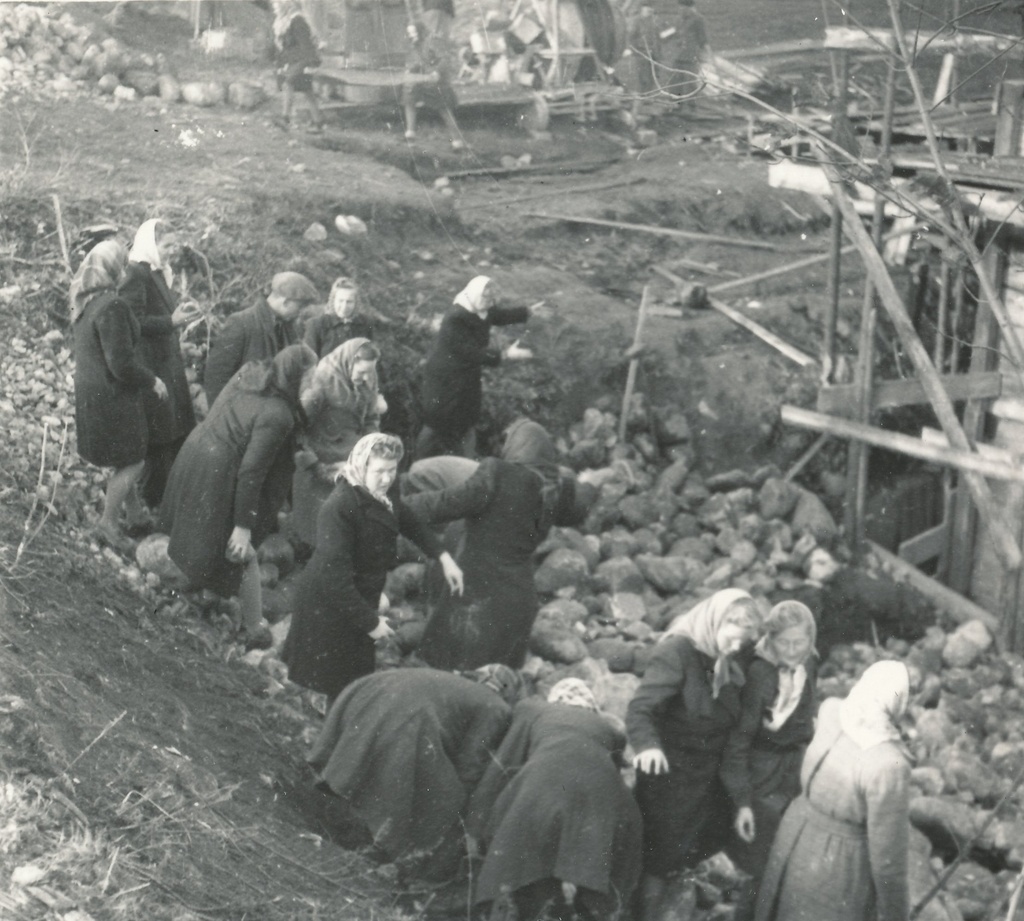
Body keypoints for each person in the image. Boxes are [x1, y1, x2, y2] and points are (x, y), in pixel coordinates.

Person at [282, 433, 465, 704]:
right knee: (341, 683)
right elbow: (334, 578)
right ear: (361, 466)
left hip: (358, 596)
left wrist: (443, 557)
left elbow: (407, 518)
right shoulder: (340, 507)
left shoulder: (383, 492)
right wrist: (371, 623)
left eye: (392, 470)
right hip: (330, 605)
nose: (387, 478)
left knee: (351, 683)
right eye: (380, 471)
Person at [159, 344, 317, 647]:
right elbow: (251, 471)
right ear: (295, 375)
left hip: (199, 453)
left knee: (200, 537)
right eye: (311, 376)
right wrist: (243, 527)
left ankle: (191, 591)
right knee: (241, 552)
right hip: (220, 471)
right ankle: (253, 627)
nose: (314, 382)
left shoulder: (253, 375)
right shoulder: (278, 413)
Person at [307, 664, 521, 881]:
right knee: (445, 795)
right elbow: (469, 763)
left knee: (372, 755)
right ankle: (385, 847)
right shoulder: (497, 707)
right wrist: (467, 805)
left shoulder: (453, 682)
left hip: (367, 691)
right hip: (404, 716)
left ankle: (334, 807)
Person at [626, 588, 763, 921]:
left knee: (689, 854)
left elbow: (731, 741)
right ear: (715, 622)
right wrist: (648, 746)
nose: (734, 649)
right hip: (668, 781)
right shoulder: (677, 653)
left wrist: (742, 802)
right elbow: (641, 709)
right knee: (656, 862)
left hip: (706, 784)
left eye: (742, 644)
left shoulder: (731, 663)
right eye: (731, 639)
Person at [466, 678, 643, 921]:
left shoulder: (533, 709)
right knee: (592, 861)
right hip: (605, 799)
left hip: (545, 786)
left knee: (531, 855)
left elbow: (506, 762)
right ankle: (588, 909)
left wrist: (478, 823)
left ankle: (541, 907)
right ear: (590, 707)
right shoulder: (608, 729)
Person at [755, 661, 912, 921]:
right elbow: (888, 861)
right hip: (839, 860)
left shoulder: (833, 710)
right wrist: (895, 915)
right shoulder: (889, 764)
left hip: (794, 830)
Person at [404, 419, 563, 671]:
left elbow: (446, 503)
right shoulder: (550, 492)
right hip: (517, 607)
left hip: (475, 600)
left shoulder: (497, 472)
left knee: (443, 682)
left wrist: (395, 506)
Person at [720, 601, 819, 921]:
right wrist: (743, 801)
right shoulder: (761, 673)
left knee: (790, 853)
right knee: (759, 859)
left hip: (794, 768)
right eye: (784, 643)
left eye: (799, 642)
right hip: (761, 771)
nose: (792, 650)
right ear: (771, 640)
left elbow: (806, 712)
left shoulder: (810, 663)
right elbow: (739, 741)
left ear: (810, 640)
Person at [72, 240, 168, 550]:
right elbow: (121, 363)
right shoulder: (113, 305)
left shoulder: (86, 299)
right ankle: (108, 523)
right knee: (133, 461)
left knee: (125, 455)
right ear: (115, 270)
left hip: (93, 394)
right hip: (112, 397)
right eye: (123, 265)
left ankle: (136, 514)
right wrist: (153, 380)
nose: (127, 270)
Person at [119, 218, 199, 512]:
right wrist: (171, 321)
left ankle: (165, 500)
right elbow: (130, 322)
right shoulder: (136, 272)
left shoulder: (155, 271)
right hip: (150, 363)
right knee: (159, 435)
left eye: (173, 246)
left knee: (173, 430)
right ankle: (151, 503)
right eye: (165, 245)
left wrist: (176, 316)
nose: (170, 252)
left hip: (166, 359)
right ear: (151, 245)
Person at [416, 276, 540, 460]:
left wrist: (526, 312)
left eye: (491, 300)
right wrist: (505, 355)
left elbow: (499, 316)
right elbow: (470, 352)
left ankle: (466, 468)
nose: (488, 304)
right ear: (474, 294)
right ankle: (417, 465)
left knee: (466, 422)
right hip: (445, 379)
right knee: (436, 425)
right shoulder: (456, 318)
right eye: (485, 299)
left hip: (466, 375)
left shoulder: (481, 308)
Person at [291, 338, 386, 547]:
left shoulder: (368, 375)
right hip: (322, 459)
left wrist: (370, 448)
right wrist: (313, 463)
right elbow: (296, 427)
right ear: (349, 362)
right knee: (317, 527)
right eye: (361, 373)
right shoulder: (321, 379)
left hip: (353, 456)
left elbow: (371, 417)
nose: (366, 378)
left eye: (370, 373)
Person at [203, 271, 318, 406]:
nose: (300, 312)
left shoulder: (289, 328)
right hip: (241, 413)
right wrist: (224, 417)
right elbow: (216, 376)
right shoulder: (241, 322)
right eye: (299, 306)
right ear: (285, 302)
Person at [403, 1, 464, 151]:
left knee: (443, 108)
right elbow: (417, 63)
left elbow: (443, 60)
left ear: (420, 31)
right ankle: (410, 132)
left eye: (413, 32)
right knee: (408, 95)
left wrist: (436, 72)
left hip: (438, 81)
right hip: (424, 80)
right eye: (410, 33)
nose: (411, 36)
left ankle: (457, 140)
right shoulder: (415, 46)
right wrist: (410, 70)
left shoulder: (432, 42)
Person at [273, 0, 324, 133]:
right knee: (308, 92)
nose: (276, 7)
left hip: (303, 60)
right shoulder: (286, 22)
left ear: (288, 5)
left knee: (288, 83)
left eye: (279, 5)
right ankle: (317, 123)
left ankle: (285, 118)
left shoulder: (298, 21)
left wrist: (311, 62)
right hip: (294, 60)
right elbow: (286, 47)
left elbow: (305, 44)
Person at [303, 277, 376, 359]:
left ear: (356, 303)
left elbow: (369, 358)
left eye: (349, 302)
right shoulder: (316, 325)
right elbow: (309, 363)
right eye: (340, 301)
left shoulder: (365, 323)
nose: (344, 307)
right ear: (333, 301)